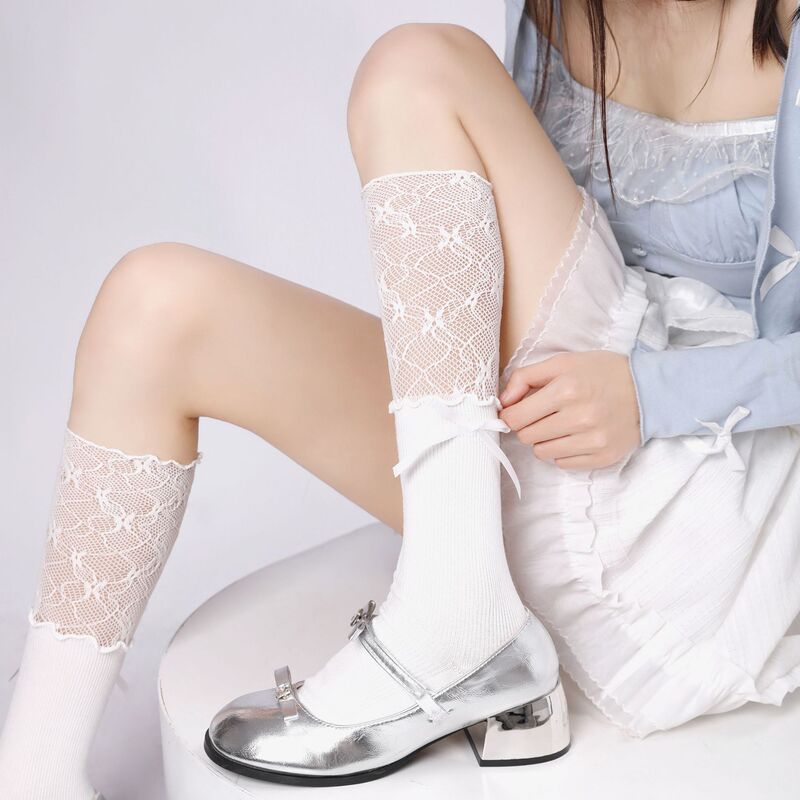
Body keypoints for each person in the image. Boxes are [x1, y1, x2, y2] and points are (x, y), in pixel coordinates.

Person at [2, 0, 800, 795]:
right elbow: (507, 248)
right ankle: (35, 773)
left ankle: (457, 631)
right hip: (542, 448)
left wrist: (649, 393)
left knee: (416, 69)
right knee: (152, 306)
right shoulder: (561, 8)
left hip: (714, 503)